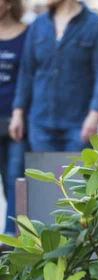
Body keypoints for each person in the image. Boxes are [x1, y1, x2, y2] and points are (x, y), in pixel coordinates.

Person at [10, 0, 98, 152]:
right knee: (43, 176)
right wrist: (17, 113)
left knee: (76, 176)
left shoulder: (96, 25)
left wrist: (95, 115)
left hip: (79, 124)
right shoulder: (38, 24)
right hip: (40, 124)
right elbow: (26, 73)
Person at [0, 0, 27, 237]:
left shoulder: (27, 34)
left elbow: (29, 76)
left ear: (9, 3)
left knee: (15, 178)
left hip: (17, 120)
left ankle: (11, 236)